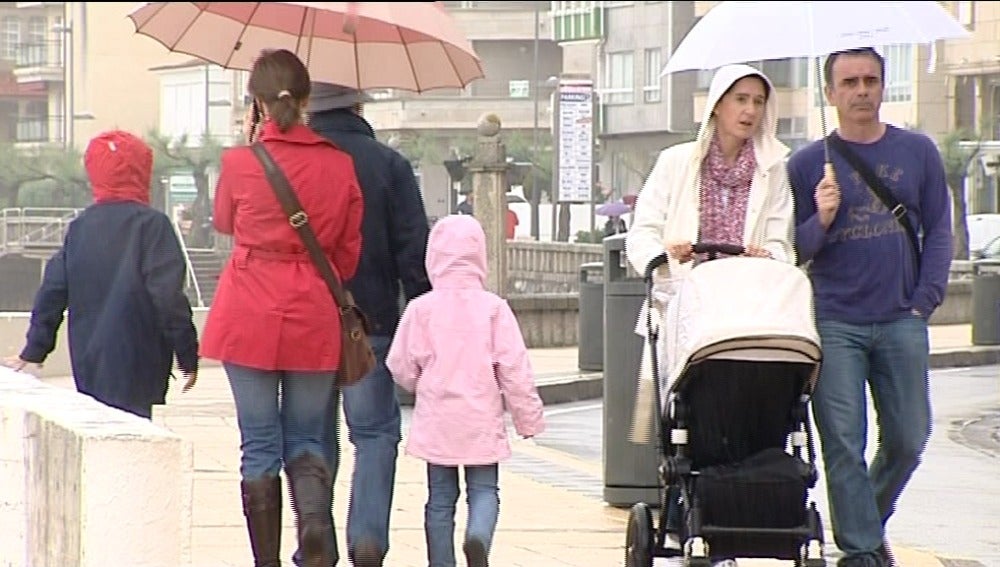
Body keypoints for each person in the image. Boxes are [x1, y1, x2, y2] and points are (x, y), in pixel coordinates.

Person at [626, 64, 797, 567]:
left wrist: (768, 255)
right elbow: (644, 229)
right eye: (740, 99)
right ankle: (686, 504)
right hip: (688, 307)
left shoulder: (774, 170)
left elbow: (781, 238)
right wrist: (663, 255)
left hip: (749, 310)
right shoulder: (677, 163)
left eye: (758, 102)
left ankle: (755, 497)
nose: (749, 110)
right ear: (717, 106)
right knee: (689, 408)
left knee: (756, 399)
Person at [199, 49, 365, 567]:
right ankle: (314, 528)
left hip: (247, 311)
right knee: (308, 432)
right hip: (313, 310)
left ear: (256, 104)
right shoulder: (339, 165)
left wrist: (254, 147)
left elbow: (224, 222)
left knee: (258, 441)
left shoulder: (239, 163)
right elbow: (347, 253)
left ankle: (265, 561)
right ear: (308, 99)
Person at [787, 47, 952, 567]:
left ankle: (865, 522)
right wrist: (823, 216)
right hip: (834, 322)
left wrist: (925, 300)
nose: (862, 90)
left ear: (883, 86)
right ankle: (860, 553)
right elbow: (795, 250)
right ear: (831, 94)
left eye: (871, 80)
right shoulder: (807, 164)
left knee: (909, 436)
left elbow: (942, 230)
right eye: (850, 82)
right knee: (842, 443)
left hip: (901, 318)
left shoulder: (918, 151)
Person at [306, 81, 432, 566]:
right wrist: (421, 315)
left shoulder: (292, 165)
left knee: (312, 434)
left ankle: (316, 538)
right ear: (359, 106)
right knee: (375, 433)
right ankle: (368, 541)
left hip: (306, 324)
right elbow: (413, 250)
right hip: (372, 322)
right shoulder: (390, 165)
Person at [2, 130, 199, 419]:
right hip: (140, 357)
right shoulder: (152, 225)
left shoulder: (81, 226)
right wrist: (187, 353)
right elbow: (168, 297)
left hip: (89, 358)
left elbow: (52, 292)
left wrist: (34, 350)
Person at [386, 214, 545, 567]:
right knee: (485, 491)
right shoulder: (494, 309)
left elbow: (399, 364)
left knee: (440, 500)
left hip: (438, 420)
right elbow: (515, 370)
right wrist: (527, 420)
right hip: (481, 419)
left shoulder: (420, 309)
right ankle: (478, 538)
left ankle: (442, 563)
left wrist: (419, 384)